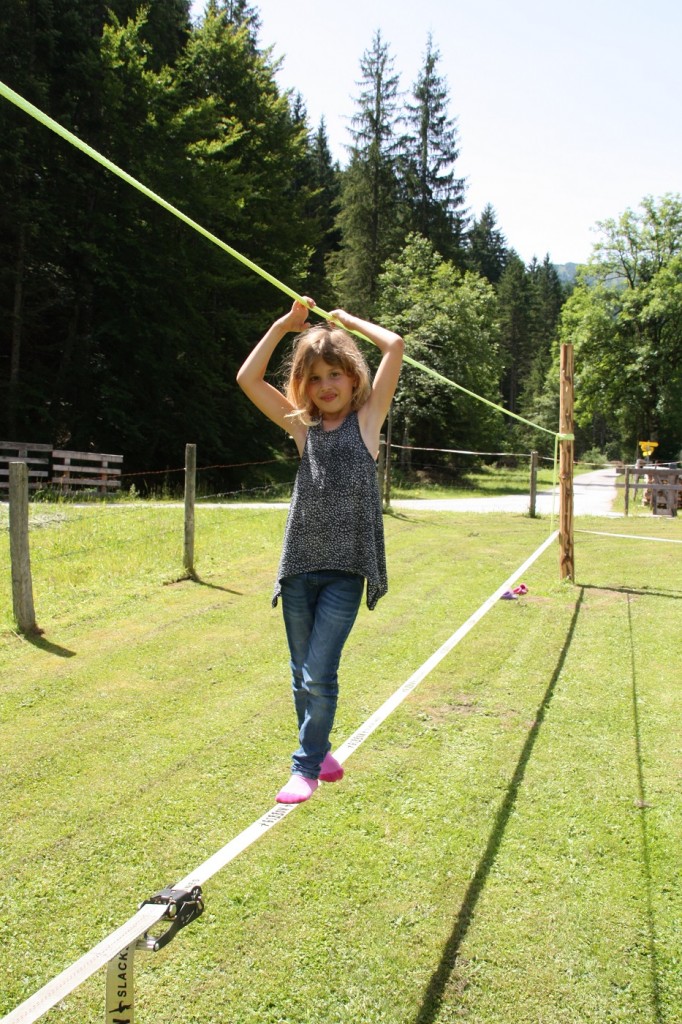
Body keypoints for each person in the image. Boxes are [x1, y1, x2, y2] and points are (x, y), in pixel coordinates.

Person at [237, 297, 404, 803]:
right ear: (303, 386)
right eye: (314, 378)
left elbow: (394, 345)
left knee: (318, 671)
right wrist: (283, 325)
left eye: (335, 373)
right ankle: (321, 751)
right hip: (299, 567)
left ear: (354, 378)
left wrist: (345, 323)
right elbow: (248, 379)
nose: (326, 386)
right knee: (299, 673)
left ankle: (304, 768)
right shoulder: (302, 428)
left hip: (345, 572)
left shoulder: (368, 421)